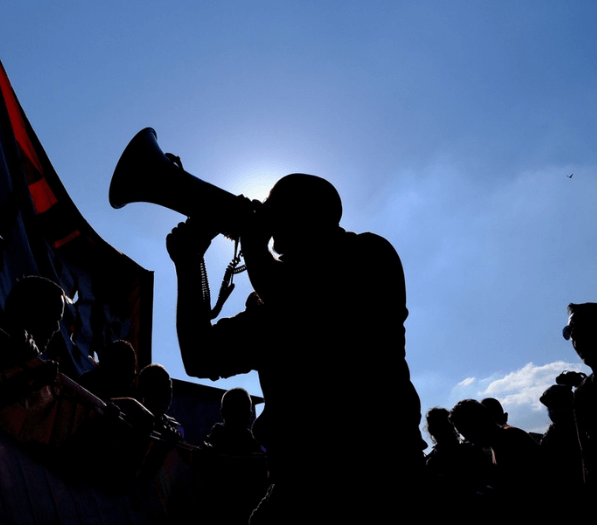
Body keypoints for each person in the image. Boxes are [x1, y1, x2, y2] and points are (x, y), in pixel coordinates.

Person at [167, 173, 424, 522]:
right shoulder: (268, 306)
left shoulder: (370, 254)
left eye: (274, 206)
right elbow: (200, 355)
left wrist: (254, 245)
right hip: (299, 483)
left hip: (380, 473)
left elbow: (304, 301)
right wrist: (189, 262)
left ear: (310, 213)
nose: (263, 214)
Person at [562, 303, 597, 490]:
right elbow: (588, 456)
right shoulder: (583, 394)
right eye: (571, 333)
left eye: (582, 329)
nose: (576, 340)